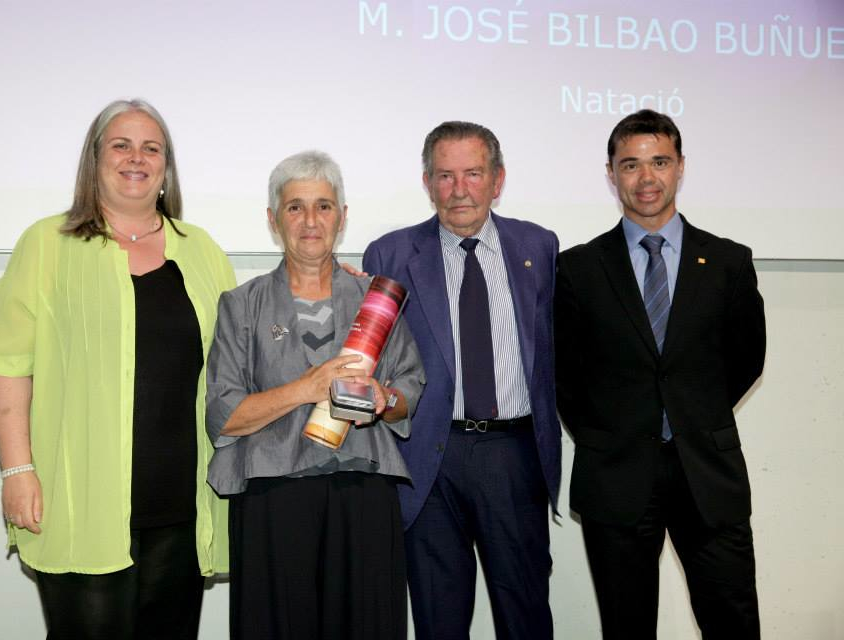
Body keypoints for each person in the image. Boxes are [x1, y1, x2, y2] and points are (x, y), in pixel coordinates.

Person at [0, 98, 236, 639]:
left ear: (166, 168)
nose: (136, 158)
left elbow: (244, 351)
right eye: (120, 145)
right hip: (80, 503)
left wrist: (329, 280)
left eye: (151, 148)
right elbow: (7, 365)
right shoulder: (46, 245)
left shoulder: (203, 251)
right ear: (94, 160)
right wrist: (16, 470)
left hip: (180, 504)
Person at [554, 109, 766, 639]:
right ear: (611, 174)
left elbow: (746, 359)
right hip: (618, 476)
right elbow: (564, 375)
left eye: (659, 162)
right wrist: (610, 434)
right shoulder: (578, 269)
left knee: (733, 621)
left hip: (707, 475)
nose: (646, 179)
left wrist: (694, 411)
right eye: (631, 165)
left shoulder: (727, 262)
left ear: (680, 168)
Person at [205, 150, 425, 640]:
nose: (310, 221)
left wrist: (384, 400)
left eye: (324, 207)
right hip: (273, 498)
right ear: (273, 219)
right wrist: (305, 389)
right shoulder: (241, 305)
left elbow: (409, 390)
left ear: (342, 218)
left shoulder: (376, 301)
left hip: (363, 494)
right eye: (295, 207)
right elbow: (223, 415)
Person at [363, 121, 560, 640]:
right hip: (429, 458)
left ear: (497, 180)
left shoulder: (539, 248)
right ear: (427, 183)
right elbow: (371, 364)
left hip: (513, 456)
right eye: (445, 176)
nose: (459, 189)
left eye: (473, 173)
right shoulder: (389, 255)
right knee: (438, 619)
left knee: (525, 614)